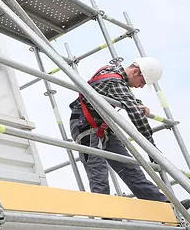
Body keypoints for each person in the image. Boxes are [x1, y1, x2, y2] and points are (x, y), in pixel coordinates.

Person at [69, 57, 168, 202]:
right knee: (98, 171)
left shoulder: (114, 75)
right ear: (135, 72)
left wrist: (136, 103)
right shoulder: (114, 80)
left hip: (102, 125)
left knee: (129, 167)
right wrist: (151, 148)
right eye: (142, 82)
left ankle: (164, 205)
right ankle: (107, 216)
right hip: (85, 124)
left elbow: (123, 95)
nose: (140, 86)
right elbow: (136, 116)